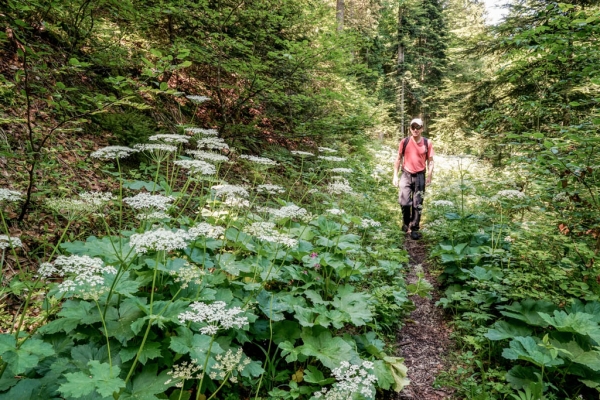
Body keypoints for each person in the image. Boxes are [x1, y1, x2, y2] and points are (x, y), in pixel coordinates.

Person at [392, 118, 435, 240]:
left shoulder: (427, 143)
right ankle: (406, 224)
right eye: (413, 127)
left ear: (422, 128)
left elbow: (431, 161)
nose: (415, 129)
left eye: (418, 127)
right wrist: (395, 175)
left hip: (420, 175)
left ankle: (414, 228)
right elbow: (398, 158)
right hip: (406, 174)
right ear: (410, 128)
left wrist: (429, 176)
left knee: (418, 204)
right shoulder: (404, 142)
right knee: (404, 202)